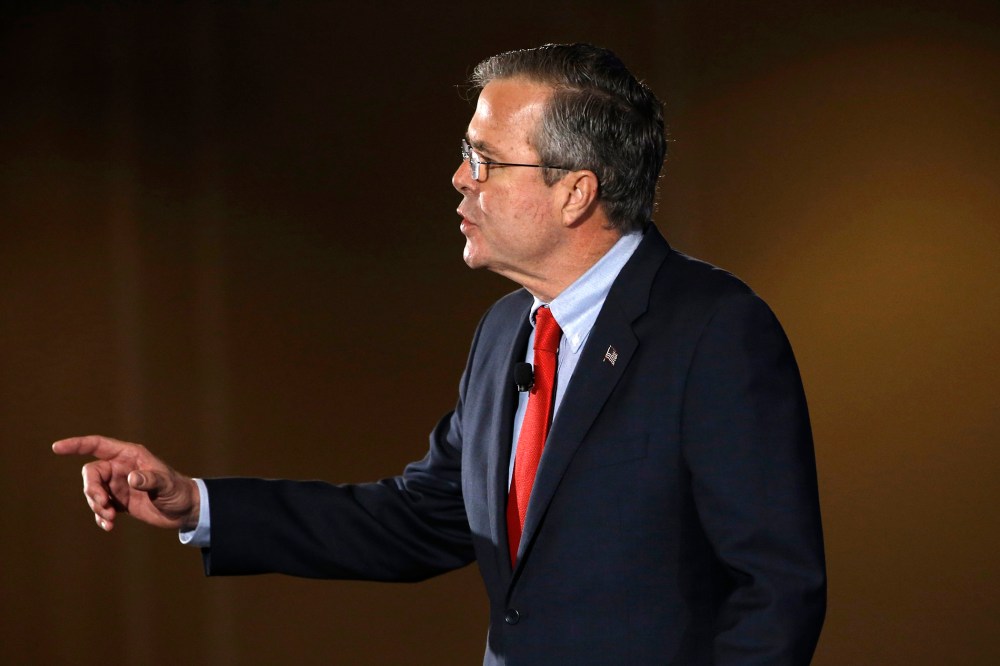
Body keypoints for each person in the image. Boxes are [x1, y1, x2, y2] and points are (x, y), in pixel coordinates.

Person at [54, 43, 826, 664]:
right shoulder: (504, 333)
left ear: (575, 192)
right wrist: (198, 501)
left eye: (485, 160)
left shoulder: (715, 329)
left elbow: (775, 591)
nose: (460, 179)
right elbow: (417, 519)